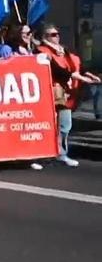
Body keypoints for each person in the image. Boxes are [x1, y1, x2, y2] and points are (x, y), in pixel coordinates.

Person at [37, 24, 99, 169]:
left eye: (57, 34)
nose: (56, 37)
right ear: (45, 37)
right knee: (49, 126)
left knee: (65, 125)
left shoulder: (63, 50)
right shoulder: (41, 51)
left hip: (65, 95)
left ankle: (61, 154)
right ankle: (44, 155)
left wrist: (87, 74)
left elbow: (75, 64)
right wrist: (76, 76)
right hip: (51, 94)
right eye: (52, 34)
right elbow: (56, 70)